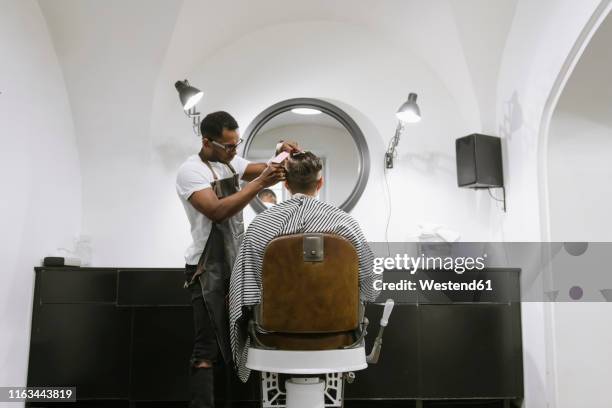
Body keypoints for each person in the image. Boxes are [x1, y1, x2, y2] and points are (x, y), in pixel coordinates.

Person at [175, 111, 298, 408]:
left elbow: (259, 169)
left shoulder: (229, 161)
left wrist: (279, 156)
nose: (235, 151)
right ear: (207, 141)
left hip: (234, 264)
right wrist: (260, 183)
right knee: (207, 349)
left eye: (237, 143)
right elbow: (217, 211)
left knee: (237, 345)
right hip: (206, 270)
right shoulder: (191, 171)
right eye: (229, 146)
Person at [228, 151, 379, 382]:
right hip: (338, 337)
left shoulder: (261, 226)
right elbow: (371, 285)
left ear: (286, 184)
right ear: (320, 182)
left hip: (274, 338)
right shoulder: (346, 224)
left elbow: (244, 292)